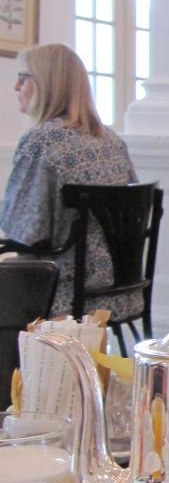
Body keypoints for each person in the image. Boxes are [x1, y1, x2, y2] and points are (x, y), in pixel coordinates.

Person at [0, 43, 138, 319]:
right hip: (123, 288)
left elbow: (25, 231)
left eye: (23, 78)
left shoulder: (41, 141)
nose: (16, 87)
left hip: (62, 291)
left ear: (46, 84)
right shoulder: (111, 140)